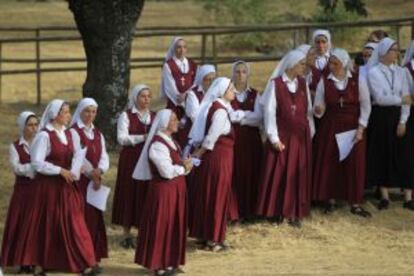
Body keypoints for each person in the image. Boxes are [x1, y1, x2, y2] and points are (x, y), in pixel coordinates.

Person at [28, 99, 97, 275]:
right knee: (48, 224)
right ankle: (43, 263)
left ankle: (85, 262)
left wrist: (79, 167)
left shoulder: (69, 134)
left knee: (75, 223)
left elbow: (75, 155)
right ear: (55, 115)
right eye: (65, 112)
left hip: (67, 187)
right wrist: (59, 170)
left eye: (68, 112)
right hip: (49, 188)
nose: (68, 115)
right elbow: (36, 163)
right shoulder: (44, 136)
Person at [256, 50, 314, 228]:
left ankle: (294, 211)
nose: (304, 67)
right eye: (302, 64)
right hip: (282, 136)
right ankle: (277, 212)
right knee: (279, 174)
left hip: (300, 137)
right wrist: (273, 137)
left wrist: (309, 132)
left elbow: (308, 110)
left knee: (297, 174)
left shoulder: (303, 84)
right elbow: (269, 112)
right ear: (292, 64)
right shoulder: (276, 85)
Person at [312, 48, 372, 217]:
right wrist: (318, 109)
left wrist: (361, 128)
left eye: (335, 63)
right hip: (331, 127)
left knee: (355, 164)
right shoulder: (325, 81)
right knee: (331, 162)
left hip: (353, 127)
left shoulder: (358, 80)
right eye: (330, 62)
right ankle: (330, 200)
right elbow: (319, 109)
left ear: (344, 63)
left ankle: (355, 202)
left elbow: (366, 105)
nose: (331, 66)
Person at [133, 109, 192, 276]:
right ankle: (159, 265)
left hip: (175, 190)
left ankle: (171, 261)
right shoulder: (158, 144)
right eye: (173, 119)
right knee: (162, 226)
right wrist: (183, 167)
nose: (177, 121)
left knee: (173, 225)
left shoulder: (172, 141)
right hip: (163, 192)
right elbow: (166, 171)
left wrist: (184, 165)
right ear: (165, 123)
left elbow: (176, 166)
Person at [366, 37, 414, 210]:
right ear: (384, 52)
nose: (397, 53)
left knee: (406, 154)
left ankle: (408, 197)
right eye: (393, 49)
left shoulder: (402, 72)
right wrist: (400, 99)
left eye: (397, 49)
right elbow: (380, 98)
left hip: (401, 116)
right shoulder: (374, 73)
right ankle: (385, 196)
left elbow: (408, 97)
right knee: (383, 153)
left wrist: (403, 120)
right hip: (381, 117)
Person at [188, 77, 236, 251]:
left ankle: (204, 234)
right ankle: (214, 239)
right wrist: (197, 154)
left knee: (209, 194)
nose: (234, 91)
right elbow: (211, 138)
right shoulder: (220, 111)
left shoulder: (215, 107)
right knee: (217, 195)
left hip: (216, 158)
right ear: (223, 91)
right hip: (219, 159)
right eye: (231, 88)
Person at [112, 85, 155, 249]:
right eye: (143, 96)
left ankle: (142, 232)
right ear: (135, 98)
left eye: (148, 96)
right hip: (131, 158)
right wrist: (142, 137)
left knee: (144, 192)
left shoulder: (154, 116)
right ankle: (126, 233)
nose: (146, 99)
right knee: (129, 192)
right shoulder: (126, 116)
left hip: (148, 159)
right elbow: (122, 138)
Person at [70, 98, 110, 273]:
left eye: (94, 112)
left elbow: (104, 156)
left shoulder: (98, 133)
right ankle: (80, 259)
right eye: (87, 111)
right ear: (80, 111)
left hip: (95, 181)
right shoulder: (74, 132)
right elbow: (76, 155)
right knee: (81, 220)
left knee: (93, 220)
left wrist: (100, 170)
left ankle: (92, 257)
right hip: (80, 181)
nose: (90, 115)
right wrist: (90, 172)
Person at [0, 111, 38, 274]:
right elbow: (17, 168)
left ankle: (36, 259)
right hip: (23, 191)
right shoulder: (15, 147)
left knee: (36, 224)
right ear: (23, 127)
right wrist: (34, 167)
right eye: (30, 125)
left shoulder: (41, 142)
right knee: (21, 224)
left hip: (39, 190)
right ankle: (22, 260)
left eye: (36, 124)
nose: (34, 128)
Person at [227, 60, 263, 222]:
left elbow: (259, 118)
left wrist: (240, 118)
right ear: (232, 74)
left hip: (251, 141)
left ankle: (250, 211)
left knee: (251, 173)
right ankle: (234, 212)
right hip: (233, 140)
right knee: (234, 174)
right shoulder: (227, 94)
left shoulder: (255, 94)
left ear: (248, 74)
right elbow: (228, 116)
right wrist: (248, 115)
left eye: (243, 72)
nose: (240, 75)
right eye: (237, 72)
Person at [160, 37, 198, 147]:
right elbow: (170, 89)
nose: (181, 50)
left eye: (184, 47)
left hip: (191, 105)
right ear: (174, 48)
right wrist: (183, 103)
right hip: (175, 106)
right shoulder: (169, 65)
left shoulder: (192, 64)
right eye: (178, 47)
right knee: (175, 136)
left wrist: (188, 97)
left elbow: (196, 83)